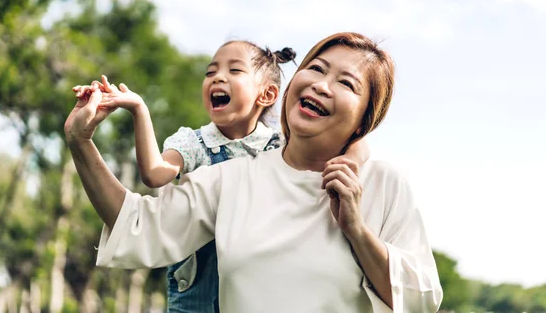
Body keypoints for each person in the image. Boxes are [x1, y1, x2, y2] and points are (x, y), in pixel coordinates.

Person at [65, 32, 443, 313]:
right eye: (315, 69)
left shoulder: (382, 184)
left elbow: (420, 299)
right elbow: (137, 223)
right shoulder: (232, 179)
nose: (321, 85)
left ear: (365, 118)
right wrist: (80, 142)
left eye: (345, 83)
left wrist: (357, 231)